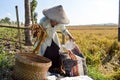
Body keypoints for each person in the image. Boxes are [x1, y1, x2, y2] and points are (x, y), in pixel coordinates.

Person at [34, 5, 74, 73]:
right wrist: (38, 32)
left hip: (53, 37)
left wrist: (69, 35)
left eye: (58, 22)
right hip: (43, 39)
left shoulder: (59, 22)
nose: (56, 24)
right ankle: (44, 70)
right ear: (51, 18)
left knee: (57, 51)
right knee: (44, 54)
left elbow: (63, 30)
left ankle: (58, 68)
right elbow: (37, 31)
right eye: (55, 21)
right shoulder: (43, 21)